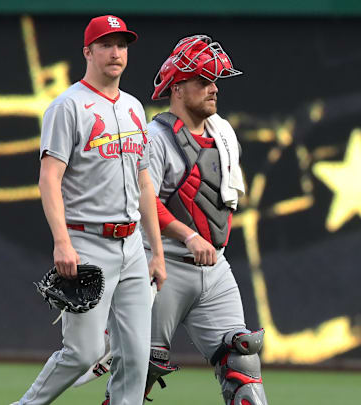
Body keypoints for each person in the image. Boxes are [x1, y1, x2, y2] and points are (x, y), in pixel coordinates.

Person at [103, 34, 268, 405]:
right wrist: (189, 235)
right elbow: (142, 202)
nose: (213, 90)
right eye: (203, 81)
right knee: (136, 376)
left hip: (214, 270)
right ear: (177, 89)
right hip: (161, 268)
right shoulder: (155, 137)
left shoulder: (223, 134)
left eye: (214, 82)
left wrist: (204, 238)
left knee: (242, 359)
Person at [13, 15, 166, 405]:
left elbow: (144, 182)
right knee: (81, 353)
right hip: (87, 243)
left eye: (122, 45)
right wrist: (62, 242)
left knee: (134, 356)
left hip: (132, 245)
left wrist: (156, 251)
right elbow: (49, 179)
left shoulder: (134, 108)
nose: (116, 52)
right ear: (88, 51)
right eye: (106, 44)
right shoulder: (67, 106)